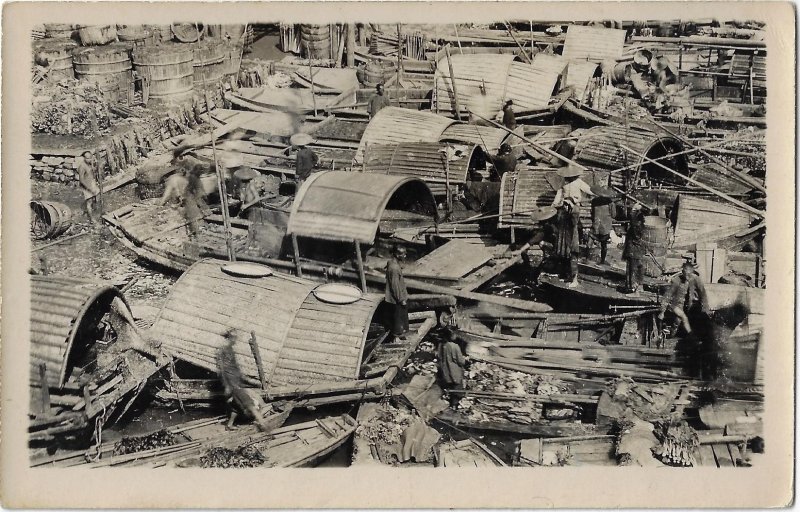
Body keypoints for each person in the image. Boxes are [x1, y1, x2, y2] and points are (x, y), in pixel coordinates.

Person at [216, 329, 269, 431]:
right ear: (231, 338)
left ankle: (230, 425)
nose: (236, 340)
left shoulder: (229, 349)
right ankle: (264, 424)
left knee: (236, 405)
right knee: (249, 403)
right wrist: (227, 385)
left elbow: (234, 367)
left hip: (236, 382)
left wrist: (241, 378)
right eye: (235, 338)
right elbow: (223, 370)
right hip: (233, 384)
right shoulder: (225, 351)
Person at [659, 261, 709, 336]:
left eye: (689, 274)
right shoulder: (677, 280)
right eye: (685, 274)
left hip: (691, 305)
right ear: (682, 272)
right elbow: (668, 295)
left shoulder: (696, 279)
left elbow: (703, 293)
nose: (687, 277)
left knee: (700, 320)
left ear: (692, 272)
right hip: (677, 305)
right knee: (679, 320)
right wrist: (662, 311)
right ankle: (672, 334)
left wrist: (705, 307)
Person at [554, 197, 581, 288]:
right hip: (566, 240)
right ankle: (570, 277)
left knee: (573, 259)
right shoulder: (565, 214)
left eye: (567, 204)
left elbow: (575, 218)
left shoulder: (573, 215)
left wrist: (573, 206)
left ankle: (575, 280)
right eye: (564, 204)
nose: (565, 206)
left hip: (573, 239)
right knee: (567, 259)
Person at [438, 329, 467, 408]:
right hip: (455, 371)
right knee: (457, 391)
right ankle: (455, 406)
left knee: (449, 389)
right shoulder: (455, 346)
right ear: (450, 336)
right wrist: (465, 360)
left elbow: (439, 357)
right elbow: (461, 361)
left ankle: (449, 404)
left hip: (445, 371)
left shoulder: (441, 345)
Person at [622, 204, 647, 293]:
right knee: (637, 269)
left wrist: (633, 210)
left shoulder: (637, 227)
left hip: (634, 250)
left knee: (632, 269)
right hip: (637, 250)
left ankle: (633, 290)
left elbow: (633, 222)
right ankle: (638, 288)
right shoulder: (641, 226)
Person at [589, 186, 617, 265]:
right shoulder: (610, 203)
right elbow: (614, 215)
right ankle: (601, 261)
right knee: (603, 245)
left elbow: (592, 213)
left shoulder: (595, 201)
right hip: (604, 225)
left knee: (590, 243)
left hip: (598, 224)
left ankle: (589, 259)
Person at [385, 257, 409, 340]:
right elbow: (395, 285)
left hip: (396, 297)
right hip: (396, 299)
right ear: (397, 254)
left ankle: (398, 334)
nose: (405, 255)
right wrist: (401, 299)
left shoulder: (392, 263)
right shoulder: (394, 268)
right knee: (398, 318)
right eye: (403, 254)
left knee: (397, 318)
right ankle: (397, 336)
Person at [183, 165, 209, 239]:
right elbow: (193, 189)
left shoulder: (196, 178)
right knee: (194, 216)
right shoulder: (193, 177)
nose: (201, 173)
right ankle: (197, 234)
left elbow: (199, 189)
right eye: (200, 171)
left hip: (195, 197)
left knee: (200, 214)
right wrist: (197, 199)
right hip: (191, 198)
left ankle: (201, 231)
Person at [76, 151, 101, 223]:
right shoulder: (82, 166)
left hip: (92, 183)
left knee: (97, 198)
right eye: (87, 158)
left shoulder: (90, 164)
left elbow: (93, 171)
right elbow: (81, 180)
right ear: (84, 158)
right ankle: (92, 218)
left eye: (90, 158)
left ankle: (96, 213)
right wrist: (89, 189)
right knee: (89, 202)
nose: (89, 160)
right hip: (86, 186)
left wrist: (95, 165)